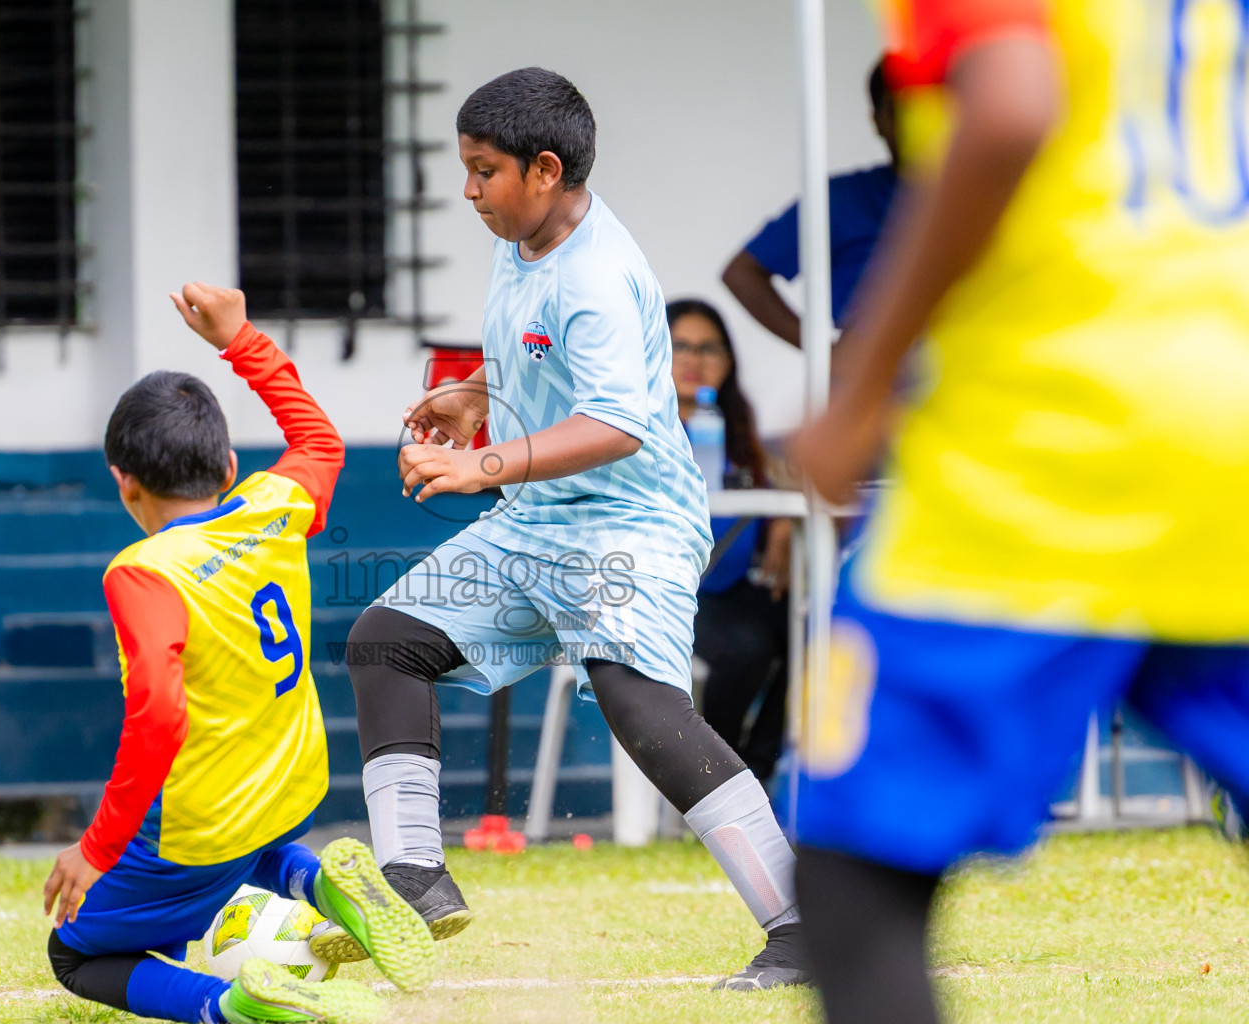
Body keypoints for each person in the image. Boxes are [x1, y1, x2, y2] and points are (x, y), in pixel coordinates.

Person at [786, 3, 1249, 1024]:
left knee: (853, 865)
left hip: (1062, 432)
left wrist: (860, 391)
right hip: (1229, 419)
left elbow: (1009, 106)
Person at [332, 67, 809, 991]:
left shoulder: (595, 274)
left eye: (484, 172)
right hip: (538, 519)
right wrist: (479, 395)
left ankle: (800, 929)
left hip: (630, 523)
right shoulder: (525, 239)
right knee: (386, 642)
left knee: (637, 701)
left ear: (545, 170)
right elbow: (546, 362)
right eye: (466, 168)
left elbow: (616, 424)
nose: (469, 190)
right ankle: (414, 878)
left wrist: (480, 466)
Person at [41, 283, 435, 1024]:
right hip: (289, 786)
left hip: (207, 822)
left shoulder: (144, 573)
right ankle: (323, 885)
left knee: (76, 953)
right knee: (250, 845)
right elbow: (321, 441)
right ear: (227, 466)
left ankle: (235, 1005)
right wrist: (240, 338)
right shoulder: (273, 507)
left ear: (125, 483)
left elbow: (158, 718)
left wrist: (95, 848)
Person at [667, 298, 791, 782]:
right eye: (680, 346)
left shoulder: (736, 426)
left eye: (709, 348)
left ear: (728, 359)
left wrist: (781, 522)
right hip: (668, 590)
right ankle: (715, 780)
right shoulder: (637, 424)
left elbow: (771, 487)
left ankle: (756, 771)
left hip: (733, 586)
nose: (694, 359)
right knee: (746, 651)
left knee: (822, 633)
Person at [724, 59, 898, 344]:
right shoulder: (843, 200)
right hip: (883, 368)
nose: (915, 124)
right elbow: (742, 273)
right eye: (899, 111)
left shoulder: (979, 194)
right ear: (877, 120)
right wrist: (827, 353)